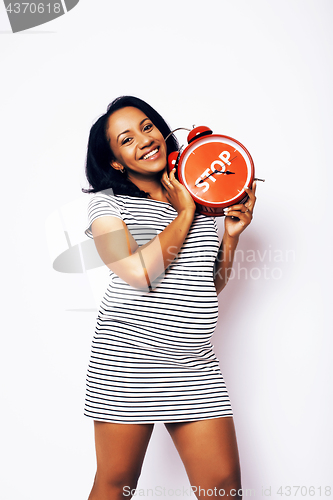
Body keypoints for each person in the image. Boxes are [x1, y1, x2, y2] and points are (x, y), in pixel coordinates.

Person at [83, 96, 257, 500]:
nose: (144, 140)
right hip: (128, 366)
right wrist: (185, 212)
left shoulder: (198, 198)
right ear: (115, 162)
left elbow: (209, 283)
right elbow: (138, 273)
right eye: (126, 139)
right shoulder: (106, 204)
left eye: (147, 127)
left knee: (222, 488)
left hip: (195, 366)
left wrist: (230, 235)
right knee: (116, 485)